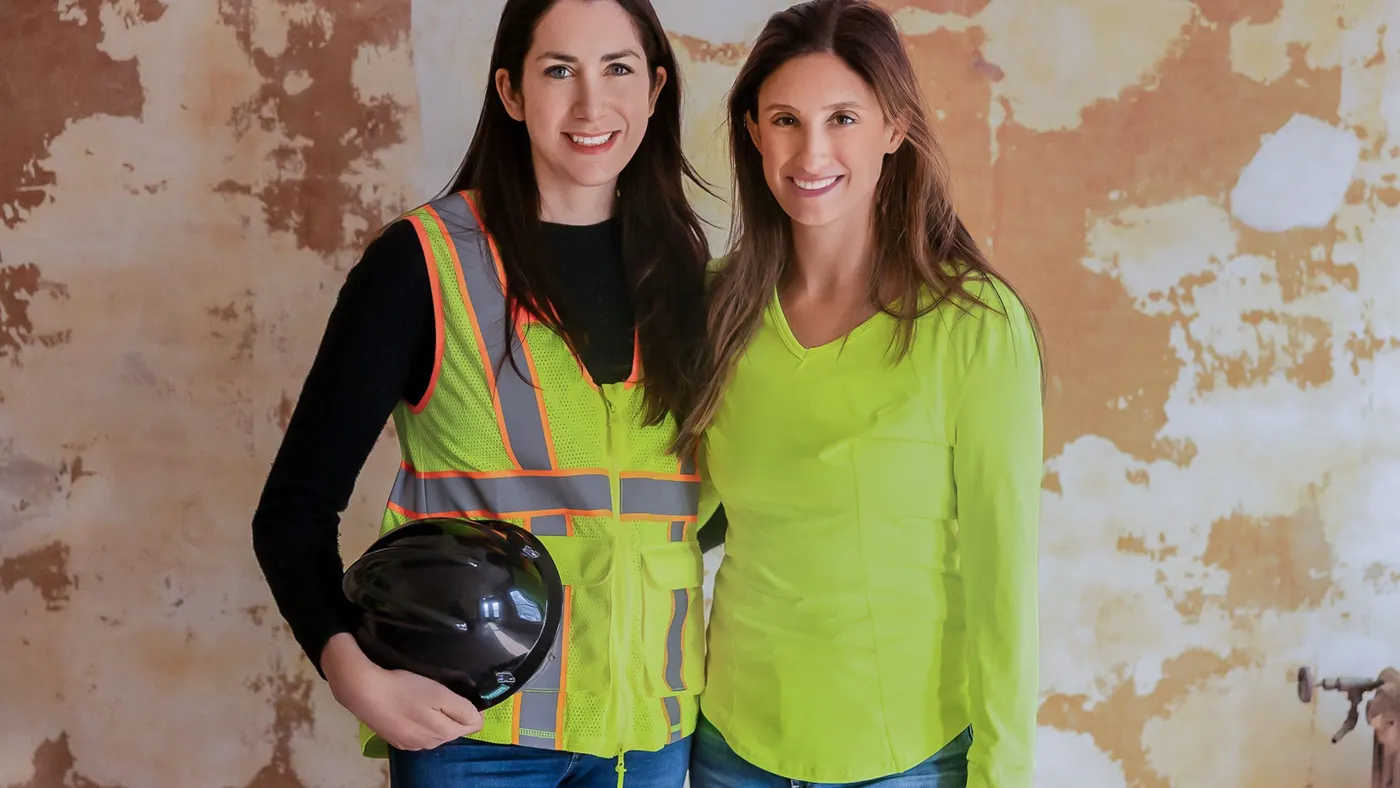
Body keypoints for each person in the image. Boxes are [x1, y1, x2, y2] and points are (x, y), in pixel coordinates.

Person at [249, 1, 719, 786]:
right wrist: (349, 670)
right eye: (559, 70)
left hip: (653, 732)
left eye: (619, 69)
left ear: (655, 89)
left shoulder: (694, 280)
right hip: (475, 737)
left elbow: (702, 507)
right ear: (510, 91)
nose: (591, 104)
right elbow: (293, 510)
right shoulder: (421, 265)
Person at [674, 1, 1045, 786]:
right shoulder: (716, 309)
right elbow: (675, 514)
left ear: (895, 127)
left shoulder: (974, 325)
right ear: (752, 132)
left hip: (906, 757)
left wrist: (1003, 772)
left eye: (843, 117)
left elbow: (1003, 575)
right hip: (731, 746)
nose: (812, 151)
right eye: (785, 119)